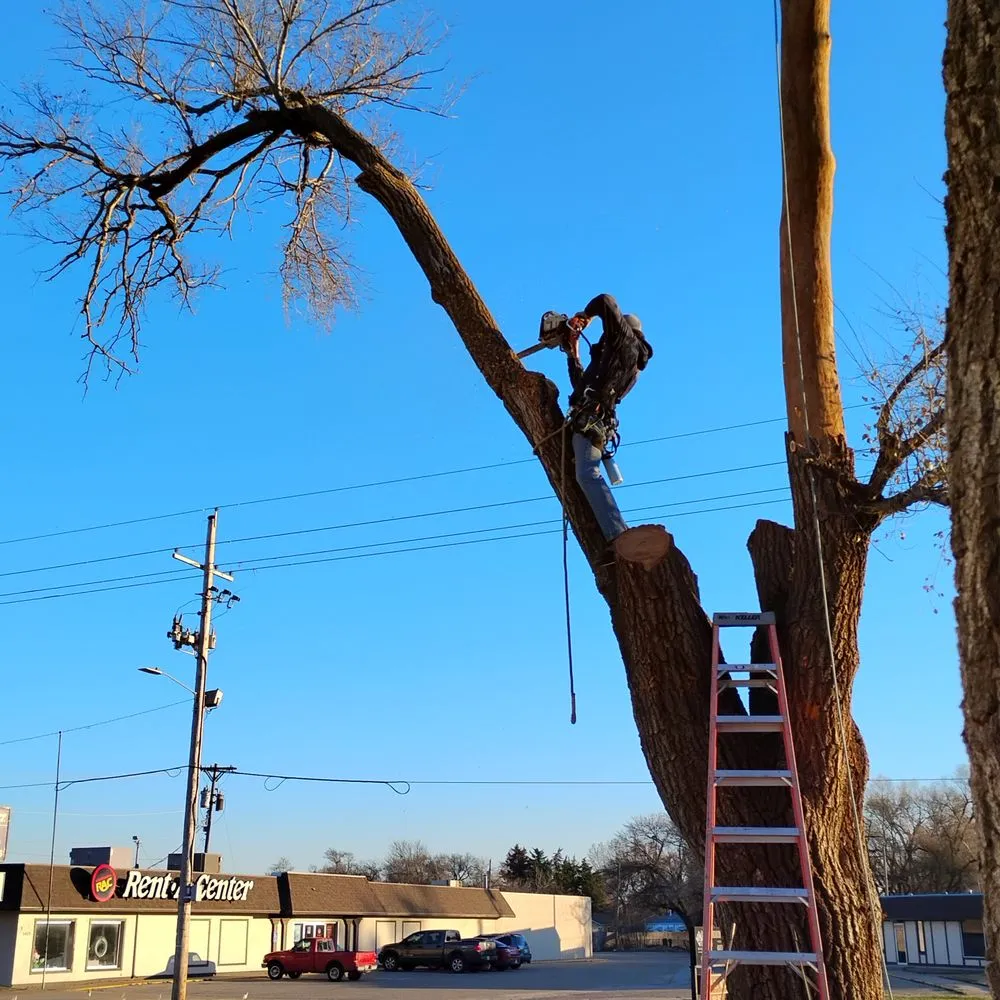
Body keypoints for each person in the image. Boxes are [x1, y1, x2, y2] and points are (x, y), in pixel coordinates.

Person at [561, 293, 653, 540]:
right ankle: (608, 534)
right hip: (586, 417)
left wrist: (584, 317)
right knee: (578, 476)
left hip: (592, 420)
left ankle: (618, 534)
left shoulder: (626, 343)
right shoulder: (612, 361)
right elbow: (583, 387)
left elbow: (605, 301)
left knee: (587, 474)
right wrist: (573, 354)